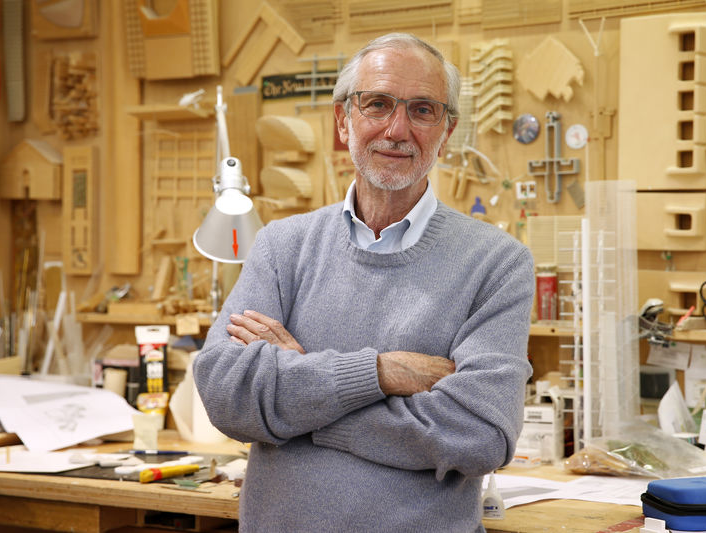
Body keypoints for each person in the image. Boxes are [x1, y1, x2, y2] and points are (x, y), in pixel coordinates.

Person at [194, 32, 534, 532]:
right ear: (342, 119)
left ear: (447, 130)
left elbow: (479, 435)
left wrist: (303, 387)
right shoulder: (281, 246)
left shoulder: (497, 263)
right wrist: (379, 372)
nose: (397, 129)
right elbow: (227, 393)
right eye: (377, 104)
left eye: (422, 110)